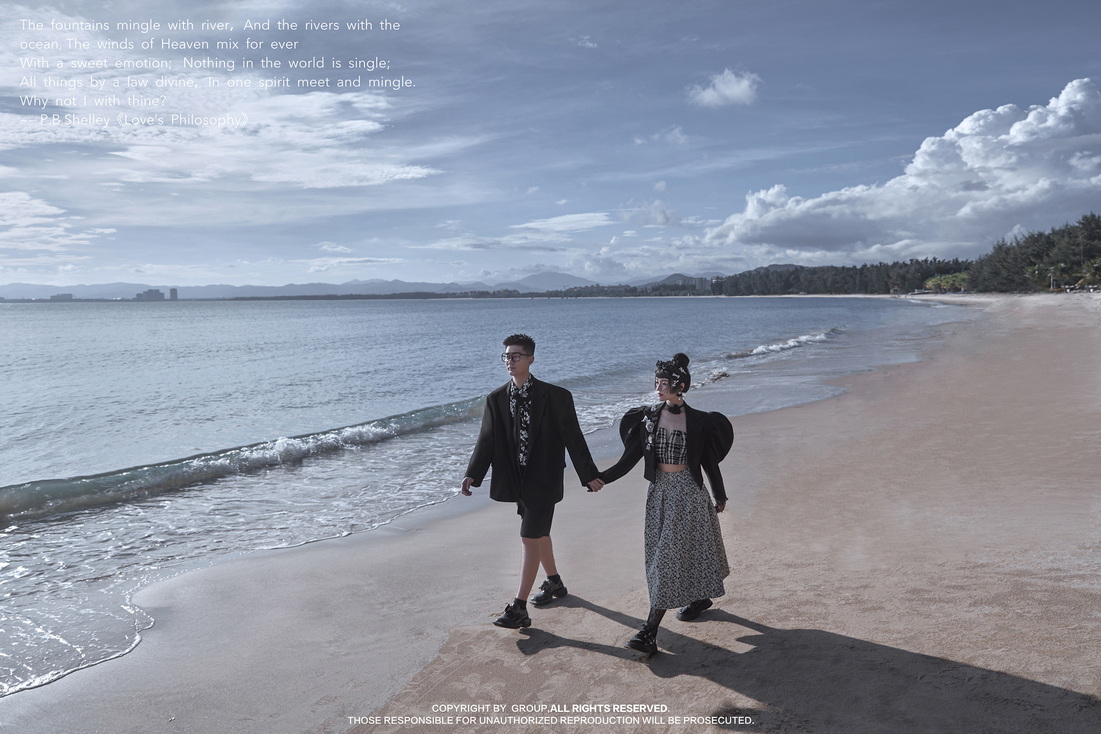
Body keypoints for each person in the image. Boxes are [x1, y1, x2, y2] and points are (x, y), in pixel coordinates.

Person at [462, 333, 605, 629]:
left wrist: (588, 474)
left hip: (545, 478)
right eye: (506, 356)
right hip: (517, 481)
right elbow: (487, 440)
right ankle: (554, 582)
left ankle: (519, 607)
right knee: (539, 534)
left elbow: (573, 437)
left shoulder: (556, 396)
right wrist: (473, 474)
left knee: (528, 537)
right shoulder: (495, 399)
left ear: (531, 359)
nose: (510, 361)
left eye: (516, 356)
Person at [595, 353, 733, 655]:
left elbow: (708, 461)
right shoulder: (648, 418)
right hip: (659, 494)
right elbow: (629, 459)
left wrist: (720, 495)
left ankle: (649, 632)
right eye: (656, 382)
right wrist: (600, 478)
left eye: (664, 383)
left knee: (666, 560)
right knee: (666, 556)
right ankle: (699, 598)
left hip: (688, 494)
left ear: (680, 386)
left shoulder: (699, 421)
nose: (658, 388)